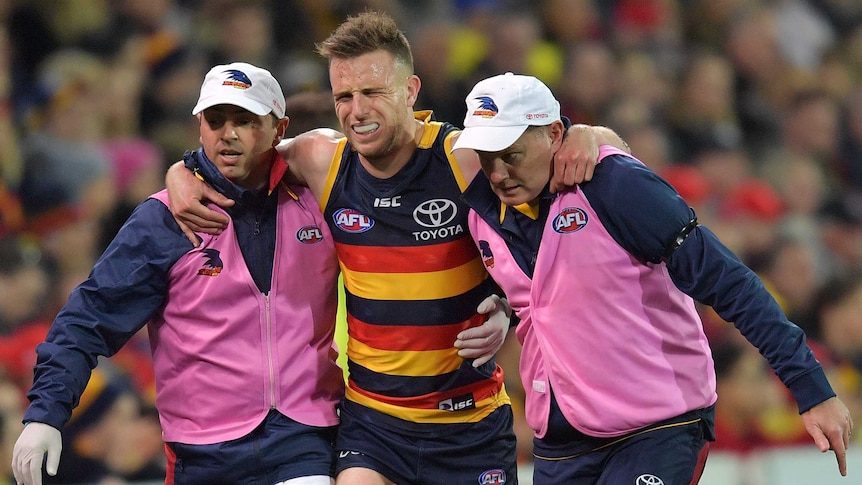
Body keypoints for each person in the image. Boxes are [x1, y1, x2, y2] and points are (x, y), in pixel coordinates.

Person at [165, 11, 630, 485]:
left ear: (410, 91)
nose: (356, 110)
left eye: (372, 93)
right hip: (373, 426)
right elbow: (236, 156)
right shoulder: (323, 160)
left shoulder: (462, 158)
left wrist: (588, 135)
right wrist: (181, 174)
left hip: (470, 425)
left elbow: (589, 156)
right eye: (344, 97)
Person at [453, 72, 854, 484]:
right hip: (562, 441)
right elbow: (528, 295)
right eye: (486, 157)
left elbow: (730, 283)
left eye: (512, 154)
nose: (497, 173)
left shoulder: (614, 184)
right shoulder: (481, 214)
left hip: (658, 425)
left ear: (555, 133)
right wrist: (501, 309)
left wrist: (810, 387)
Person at [11, 62, 347, 485]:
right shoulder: (164, 219)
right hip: (201, 453)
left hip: (302, 440)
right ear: (199, 125)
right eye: (215, 119)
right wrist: (45, 413)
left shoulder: (322, 195)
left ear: (279, 130)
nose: (228, 133)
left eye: (245, 120)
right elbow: (88, 317)